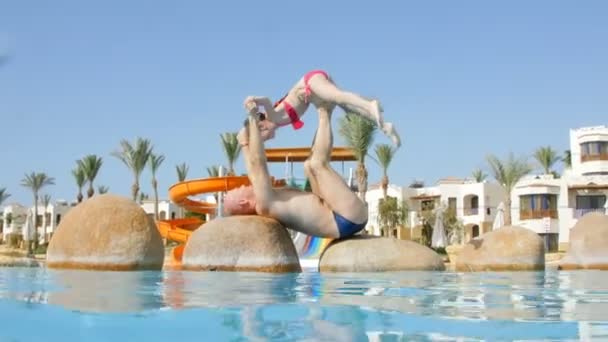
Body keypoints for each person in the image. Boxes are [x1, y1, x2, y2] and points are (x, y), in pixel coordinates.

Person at [223, 101, 368, 239]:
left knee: (309, 166)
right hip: (345, 217)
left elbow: (252, 168)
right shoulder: (263, 203)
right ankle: (324, 110)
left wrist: (244, 143)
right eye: (238, 188)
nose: (242, 185)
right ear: (243, 202)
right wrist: (253, 118)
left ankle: (324, 111)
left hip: (336, 214)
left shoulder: (264, 198)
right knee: (318, 165)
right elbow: (257, 163)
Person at [244, 69, 401, 148]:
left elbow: (265, 100)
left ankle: (369, 105)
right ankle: (385, 127)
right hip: (312, 97)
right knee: (348, 110)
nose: (271, 138)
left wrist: (253, 100)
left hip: (310, 83)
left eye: (265, 137)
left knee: (338, 96)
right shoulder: (277, 120)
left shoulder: (273, 117)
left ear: (262, 126)